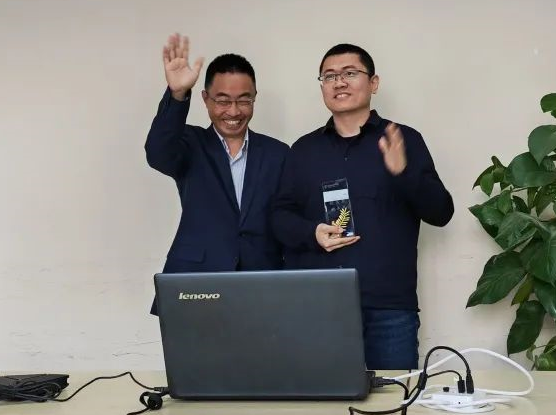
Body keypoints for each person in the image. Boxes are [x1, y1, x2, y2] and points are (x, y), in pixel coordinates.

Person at [271, 43, 454, 369]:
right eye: (329, 76)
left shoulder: (403, 139)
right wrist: (312, 233)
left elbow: (441, 213)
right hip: (318, 305)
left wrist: (403, 173)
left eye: (350, 73)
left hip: (389, 310)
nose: (339, 82)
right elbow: (279, 217)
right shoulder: (303, 150)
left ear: (373, 83)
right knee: (319, 399)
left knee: (393, 398)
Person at [146, 34, 289, 314]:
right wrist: (177, 95)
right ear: (205, 99)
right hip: (197, 280)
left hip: (262, 280)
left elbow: (287, 215)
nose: (233, 111)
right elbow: (157, 153)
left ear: (254, 98)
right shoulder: (190, 144)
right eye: (222, 101)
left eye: (244, 100)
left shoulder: (278, 153)